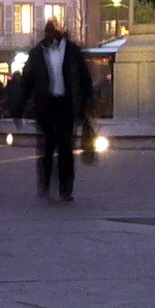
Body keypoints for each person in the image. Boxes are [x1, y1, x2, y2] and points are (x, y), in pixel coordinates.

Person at [10, 19, 94, 202]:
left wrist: (88, 103)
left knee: (66, 147)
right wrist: (18, 107)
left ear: (59, 33)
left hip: (65, 104)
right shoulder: (37, 54)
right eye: (47, 33)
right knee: (46, 147)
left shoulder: (72, 52)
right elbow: (26, 82)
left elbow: (84, 78)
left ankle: (65, 188)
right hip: (46, 105)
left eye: (53, 33)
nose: (50, 37)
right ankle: (46, 183)